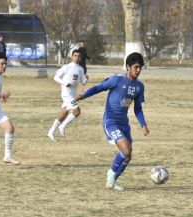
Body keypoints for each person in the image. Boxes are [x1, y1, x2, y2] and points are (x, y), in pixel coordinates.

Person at [75, 52, 149, 191]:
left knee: (128, 156)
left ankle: (112, 182)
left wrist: (143, 124)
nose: (138, 70)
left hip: (124, 123)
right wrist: (84, 95)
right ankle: (111, 173)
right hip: (110, 121)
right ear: (128, 67)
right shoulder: (116, 80)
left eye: (140, 68)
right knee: (125, 149)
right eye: (136, 67)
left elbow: (137, 108)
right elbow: (99, 88)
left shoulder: (139, 86)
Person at [47, 49, 88, 141]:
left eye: (79, 56)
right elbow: (56, 77)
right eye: (75, 56)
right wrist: (65, 83)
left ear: (81, 58)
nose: (77, 58)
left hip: (73, 95)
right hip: (66, 94)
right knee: (77, 111)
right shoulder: (67, 67)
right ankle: (62, 126)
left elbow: (82, 82)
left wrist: (86, 79)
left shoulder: (81, 69)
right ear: (72, 56)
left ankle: (51, 131)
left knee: (63, 113)